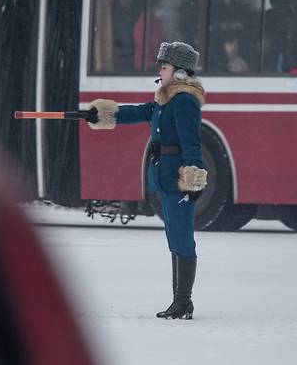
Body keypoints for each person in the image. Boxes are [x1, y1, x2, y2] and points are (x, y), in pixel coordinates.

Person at [87, 41, 207, 320]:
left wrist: (194, 179)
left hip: (179, 181)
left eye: (164, 66)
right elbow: (139, 112)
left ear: (178, 71)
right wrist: (101, 114)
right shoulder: (165, 98)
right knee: (174, 239)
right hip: (165, 178)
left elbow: (192, 144)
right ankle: (180, 301)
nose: (160, 71)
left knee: (182, 239)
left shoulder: (185, 101)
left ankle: (183, 302)